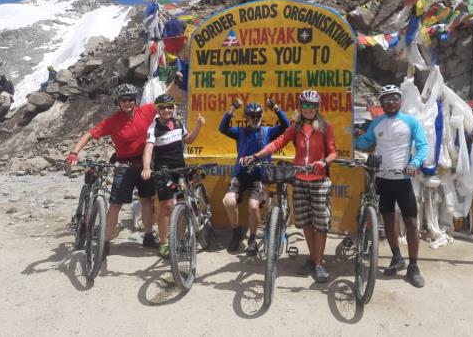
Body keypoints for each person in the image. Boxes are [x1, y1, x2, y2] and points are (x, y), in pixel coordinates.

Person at [243, 90, 337, 283]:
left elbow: (333, 152)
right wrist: (256, 155)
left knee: (321, 225)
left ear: (317, 108)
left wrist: (324, 162)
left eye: (312, 106)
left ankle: (319, 265)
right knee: (306, 223)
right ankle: (313, 259)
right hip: (300, 179)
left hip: (319, 180)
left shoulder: (326, 127)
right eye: (306, 106)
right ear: (300, 107)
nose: (309, 109)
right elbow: (278, 143)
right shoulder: (295, 127)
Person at [65, 83, 159, 256]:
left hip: (145, 164)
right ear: (118, 102)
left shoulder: (146, 110)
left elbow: (167, 96)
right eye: (124, 100)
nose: (128, 103)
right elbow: (90, 134)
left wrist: (176, 79)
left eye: (131, 99)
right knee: (115, 204)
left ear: (135, 100)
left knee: (147, 200)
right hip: (124, 165)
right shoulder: (113, 121)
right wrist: (73, 153)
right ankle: (105, 241)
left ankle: (148, 236)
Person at [355, 84, 429, 288]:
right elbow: (364, 143)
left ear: (401, 100)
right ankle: (397, 257)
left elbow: (423, 146)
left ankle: (413, 266)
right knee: (387, 219)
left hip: (403, 179)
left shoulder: (411, 122)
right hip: (382, 178)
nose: (391, 102)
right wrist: (353, 136)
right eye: (386, 99)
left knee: (411, 222)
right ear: (381, 103)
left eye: (394, 98)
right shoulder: (376, 124)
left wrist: (415, 163)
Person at [219, 99, 289, 256]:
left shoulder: (267, 132)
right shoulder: (241, 132)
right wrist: (232, 108)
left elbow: (286, 126)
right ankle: (237, 231)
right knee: (228, 201)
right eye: (252, 116)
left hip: (259, 176)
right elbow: (222, 128)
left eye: (258, 115)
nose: (255, 119)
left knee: (253, 206)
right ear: (246, 117)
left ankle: (252, 239)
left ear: (261, 116)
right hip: (241, 175)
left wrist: (276, 108)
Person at [141, 94, 205, 257]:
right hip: (164, 171)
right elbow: (148, 149)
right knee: (167, 205)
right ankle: (164, 243)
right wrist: (147, 167)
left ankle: (181, 239)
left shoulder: (178, 123)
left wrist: (199, 126)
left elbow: (188, 140)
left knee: (183, 202)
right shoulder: (153, 127)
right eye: (162, 107)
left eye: (169, 107)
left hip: (180, 170)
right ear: (158, 109)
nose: (166, 110)